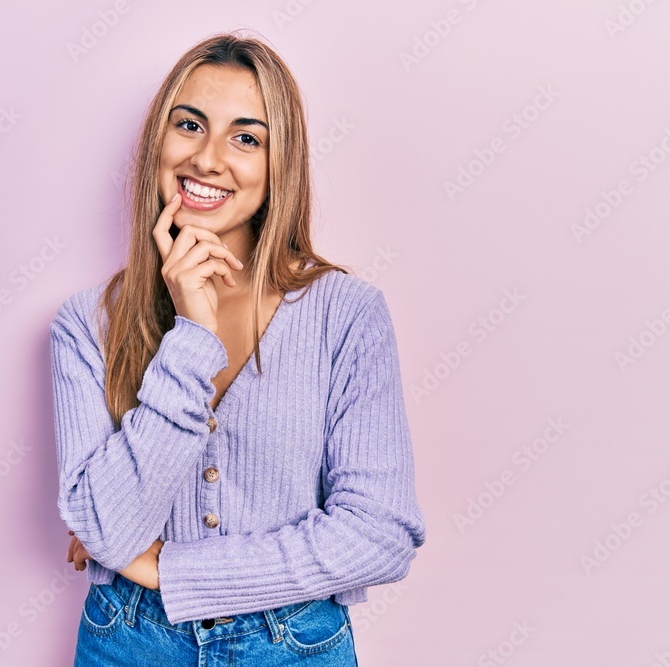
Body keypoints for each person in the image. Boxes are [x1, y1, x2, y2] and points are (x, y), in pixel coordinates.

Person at [50, 31, 425, 666]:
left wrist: (171, 570)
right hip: (127, 642)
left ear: (280, 165)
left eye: (246, 137)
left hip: (294, 644)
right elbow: (103, 528)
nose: (208, 157)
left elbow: (380, 534)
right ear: (158, 145)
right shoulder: (87, 325)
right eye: (189, 125)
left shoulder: (348, 316)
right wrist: (192, 338)